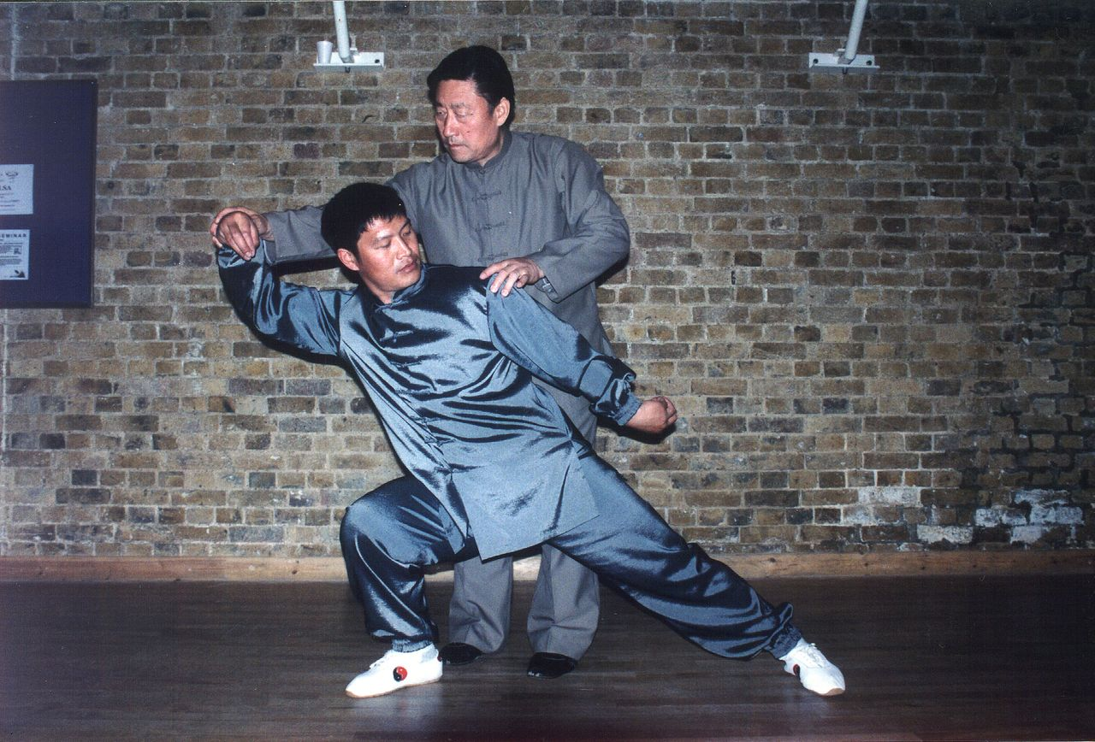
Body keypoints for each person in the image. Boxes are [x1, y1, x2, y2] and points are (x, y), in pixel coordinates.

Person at [216, 181, 846, 700]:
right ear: (349, 260)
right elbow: (269, 309)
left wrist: (630, 407)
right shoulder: (343, 320)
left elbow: (564, 355)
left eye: (407, 233)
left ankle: (786, 643)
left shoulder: (476, 292)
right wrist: (236, 244)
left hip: (550, 475)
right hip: (455, 494)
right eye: (384, 243)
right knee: (372, 524)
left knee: (669, 566)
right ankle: (411, 652)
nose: (405, 249)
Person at [210, 46, 629, 680]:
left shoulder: (562, 162)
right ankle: (475, 629)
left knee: (569, 496)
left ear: (501, 110)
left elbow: (608, 235)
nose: (448, 127)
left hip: (558, 365)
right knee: (476, 489)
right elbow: (340, 226)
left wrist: (539, 264)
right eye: (440, 113)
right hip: (470, 377)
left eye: (461, 112)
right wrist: (256, 229)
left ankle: (562, 634)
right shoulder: (421, 185)